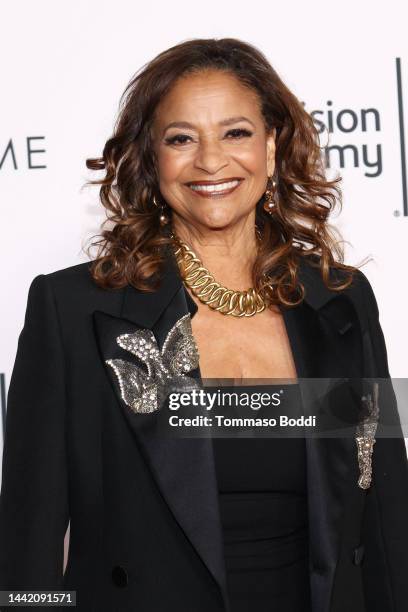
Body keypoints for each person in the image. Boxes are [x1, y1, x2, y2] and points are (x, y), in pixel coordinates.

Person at [0, 37, 407, 612]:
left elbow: (386, 520)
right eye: (181, 138)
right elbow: (29, 543)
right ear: (151, 159)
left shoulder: (339, 301)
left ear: (271, 148)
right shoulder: (73, 308)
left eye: (235, 133)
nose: (210, 161)